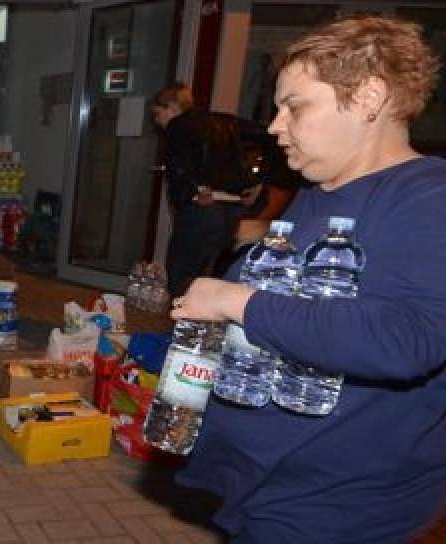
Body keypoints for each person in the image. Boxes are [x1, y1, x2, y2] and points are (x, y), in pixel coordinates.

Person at [170, 15, 446, 541]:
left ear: (368, 98)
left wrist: (236, 301)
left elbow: (405, 338)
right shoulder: (319, 195)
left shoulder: (430, 198)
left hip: (339, 506)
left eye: (295, 107)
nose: (275, 126)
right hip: (269, 485)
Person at [152, 83, 261, 297]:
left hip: (202, 208)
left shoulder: (178, 125)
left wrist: (198, 189)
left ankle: (181, 316)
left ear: (172, 107)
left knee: (181, 274)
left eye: (157, 113)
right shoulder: (225, 121)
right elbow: (268, 138)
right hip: (233, 208)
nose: (157, 121)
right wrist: (257, 182)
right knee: (211, 274)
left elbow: (182, 164)